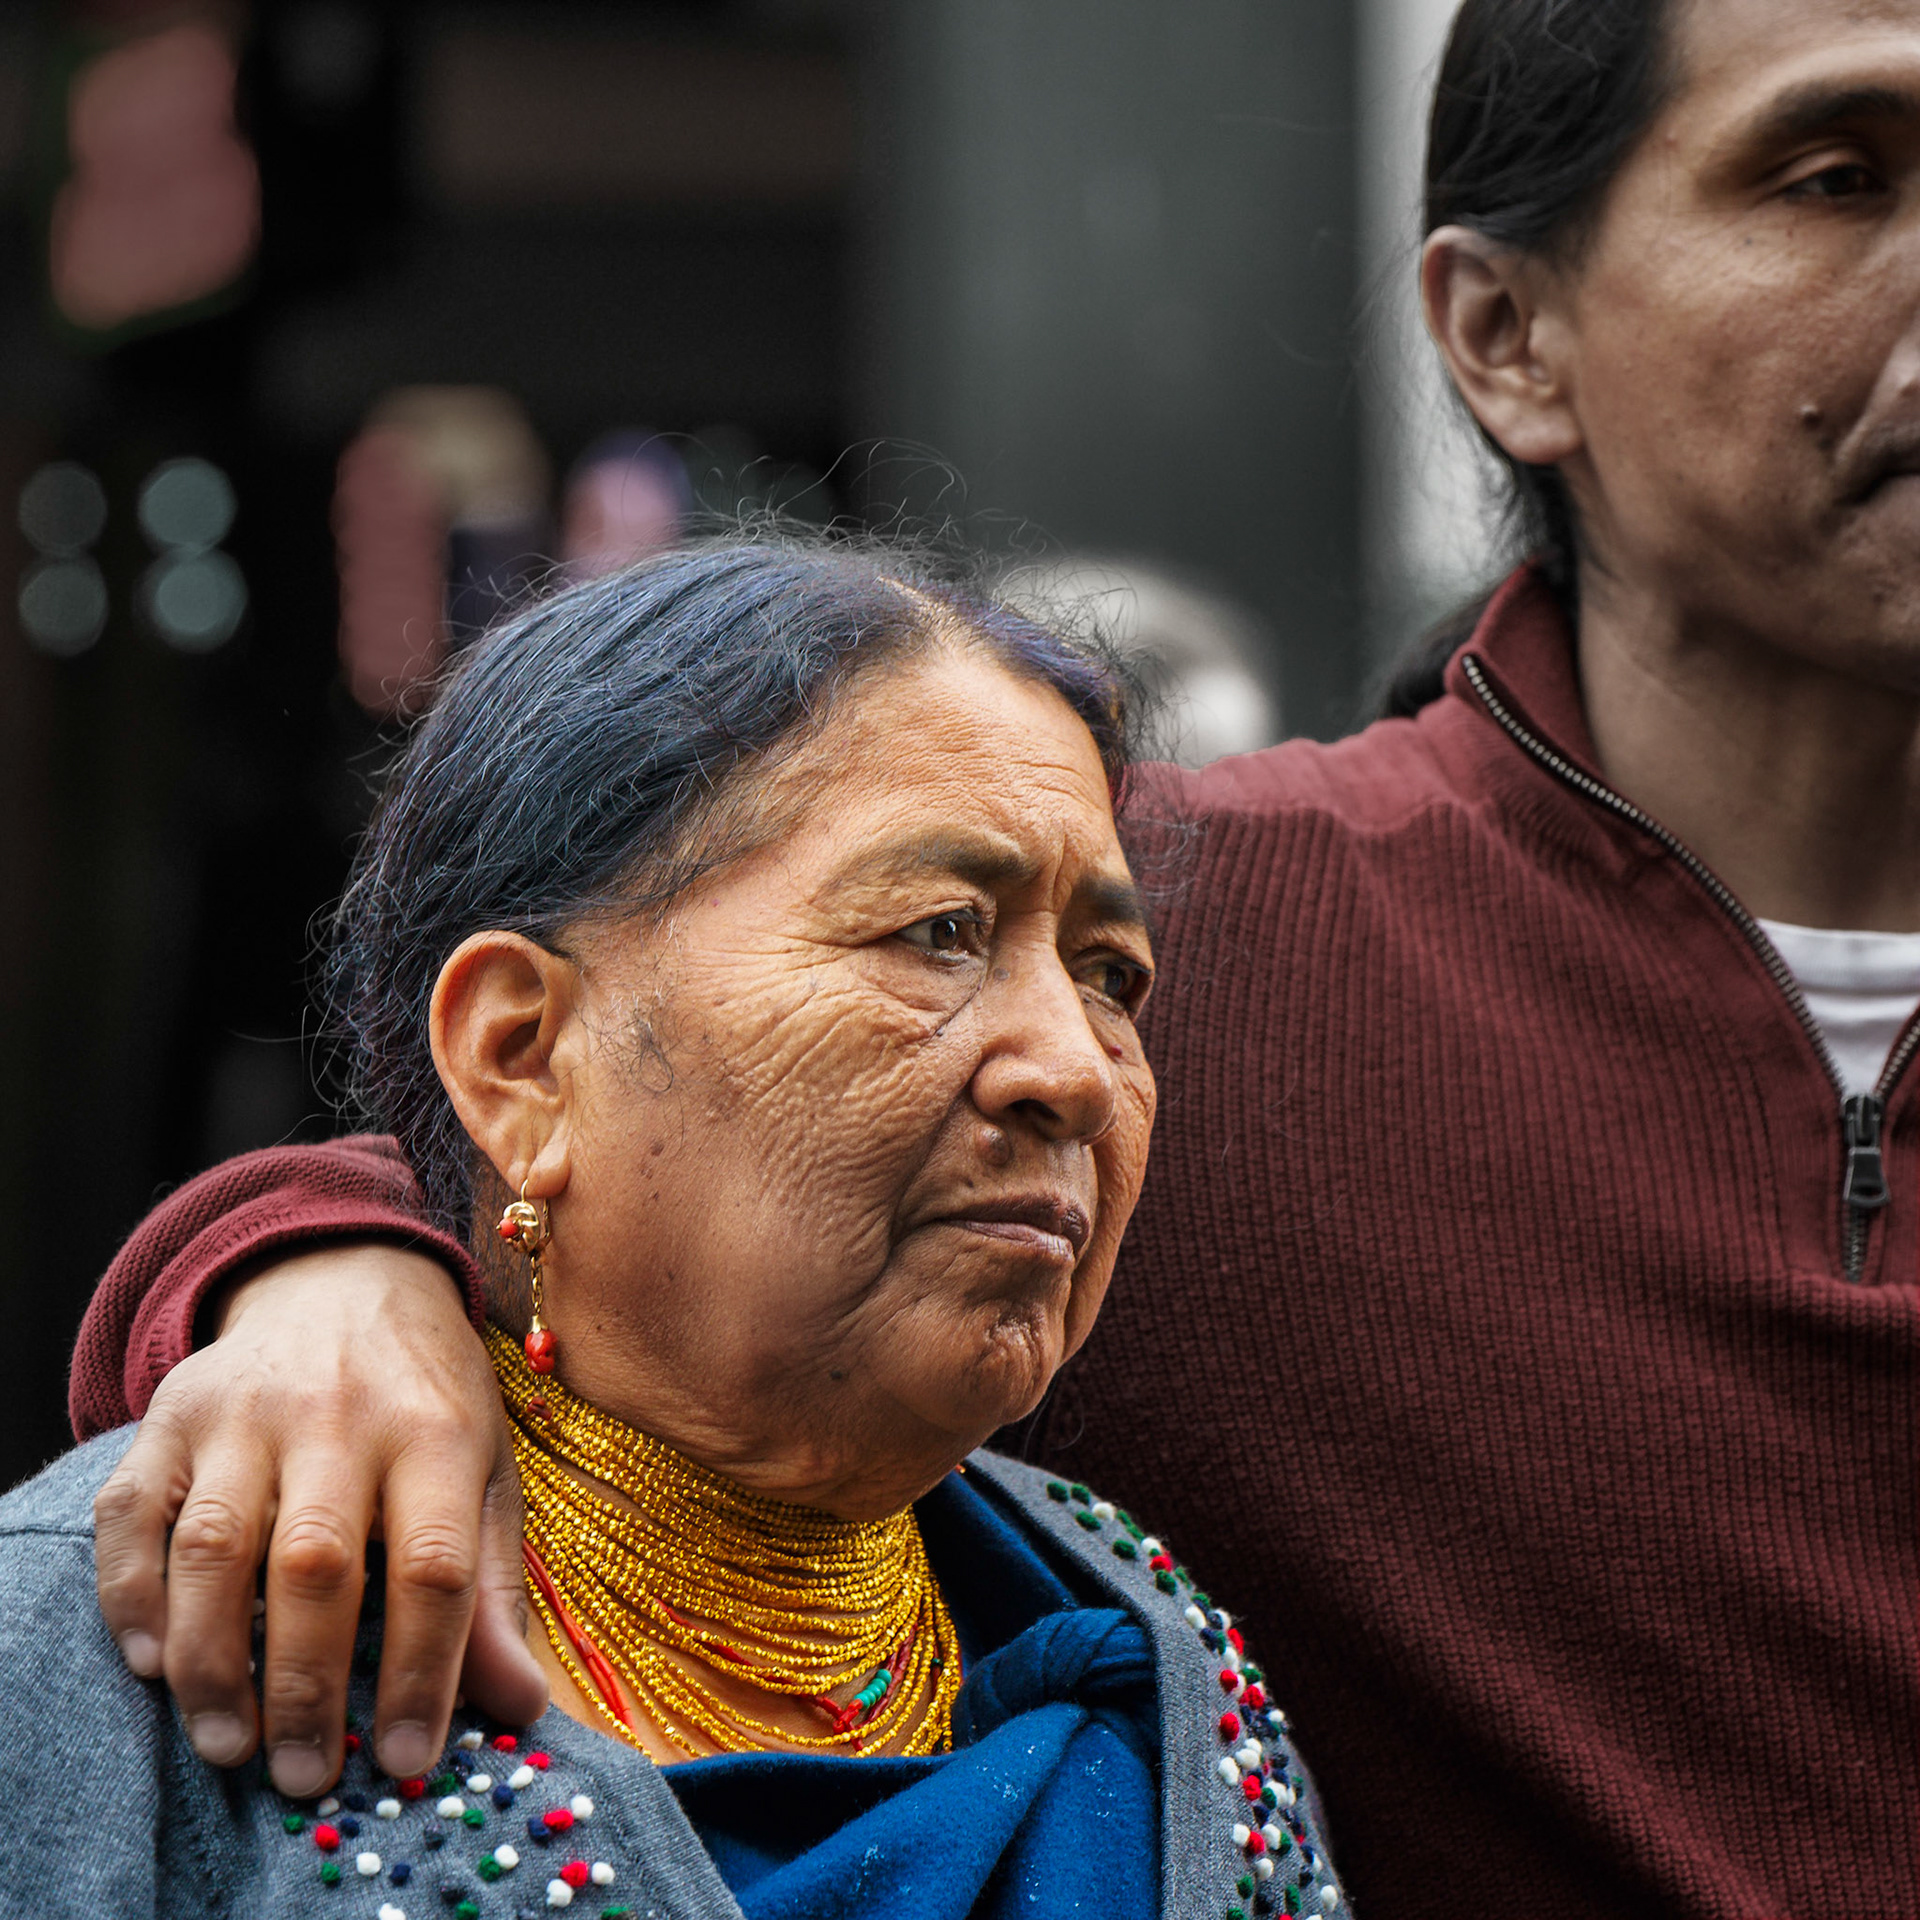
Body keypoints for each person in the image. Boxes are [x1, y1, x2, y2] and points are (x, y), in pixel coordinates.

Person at [65, 0, 1920, 1911]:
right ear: (1505, 331)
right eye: (1837, 174)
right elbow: (597, 1136)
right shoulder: (1209, 913)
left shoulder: (1175, 1718)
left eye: (1101, 981)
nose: (1054, 1053)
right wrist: (318, 1278)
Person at [2, 543, 1349, 1919]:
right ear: (524, 1059)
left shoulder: (1159, 1674)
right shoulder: (140, 1633)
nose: (1070, 1068)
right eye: (938, 930)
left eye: (1109, 974)